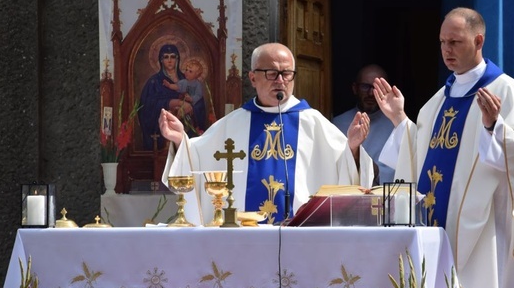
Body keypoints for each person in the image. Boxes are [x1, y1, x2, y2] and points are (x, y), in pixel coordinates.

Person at [373, 7, 514, 288]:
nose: (447, 50)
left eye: (455, 41)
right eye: (442, 43)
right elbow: (418, 161)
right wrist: (401, 122)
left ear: (478, 41)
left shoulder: (506, 91)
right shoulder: (438, 102)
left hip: (486, 241)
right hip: (441, 243)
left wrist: (493, 127)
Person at [159, 42, 374, 225]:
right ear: (253, 78)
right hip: (244, 238)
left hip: (301, 236)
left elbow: (346, 172)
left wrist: (353, 148)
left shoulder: (313, 122)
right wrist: (180, 141)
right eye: (272, 73)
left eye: (287, 73)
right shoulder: (233, 124)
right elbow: (196, 158)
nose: (280, 80)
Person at [333, 64, 395, 185]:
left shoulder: (395, 125)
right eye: (365, 87)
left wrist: (373, 171)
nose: (371, 93)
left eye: (377, 88)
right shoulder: (337, 124)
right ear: (355, 88)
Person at [139, 44, 208, 150]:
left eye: (173, 57)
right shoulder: (155, 82)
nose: (170, 60)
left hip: (186, 134)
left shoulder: (188, 81)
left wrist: (191, 109)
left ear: (177, 59)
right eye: (166, 57)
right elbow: (146, 107)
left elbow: (199, 104)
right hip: (162, 137)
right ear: (161, 60)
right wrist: (175, 102)